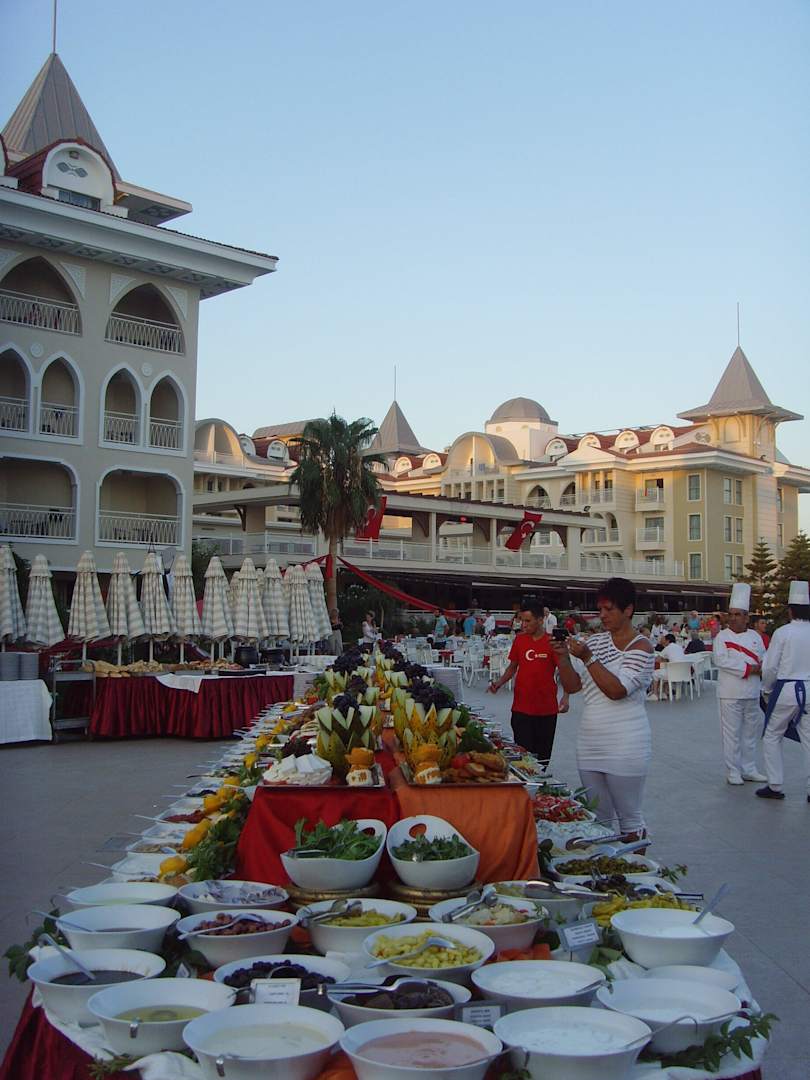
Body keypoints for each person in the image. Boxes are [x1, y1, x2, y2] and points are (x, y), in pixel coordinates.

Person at [552, 577, 655, 841]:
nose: (603, 615)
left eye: (609, 609)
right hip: (590, 741)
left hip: (626, 742)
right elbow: (573, 686)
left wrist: (587, 657)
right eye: (600, 609)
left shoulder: (641, 647)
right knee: (598, 816)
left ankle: (635, 864)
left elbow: (617, 690)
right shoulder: (595, 642)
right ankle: (606, 861)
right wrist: (563, 658)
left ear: (628, 610)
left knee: (630, 817)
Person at [488, 600, 569, 763]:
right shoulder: (519, 640)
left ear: (540, 620)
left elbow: (565, 671)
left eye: (527, 621)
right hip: (521, 709)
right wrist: (498, 683)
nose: (523, 625)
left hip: (546, 710)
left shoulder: (552, 643)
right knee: (523, 759)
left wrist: (566, 697)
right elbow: (512, 667)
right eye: (521, 620)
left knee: (542, 761)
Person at [757, 580, 810, 801]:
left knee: (772, 735)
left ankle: (775, 784)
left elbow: (770, 667)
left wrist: (766, 689)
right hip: (809, 688)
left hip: (787, 688)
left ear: (790, 610)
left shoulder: (783, 632)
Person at [712, 583, 767, 786]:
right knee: (731, 735)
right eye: (731, 614)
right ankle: (733, 771)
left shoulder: (755, 637)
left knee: (750, 734)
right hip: (730, 692)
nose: (733, 618)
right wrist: (750, 669)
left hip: (752, 692)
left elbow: (764, 659)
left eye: (738, 614)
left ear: (746, 617)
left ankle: (749, 769)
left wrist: (763, 668)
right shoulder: (722, 637)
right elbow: (721, 660)